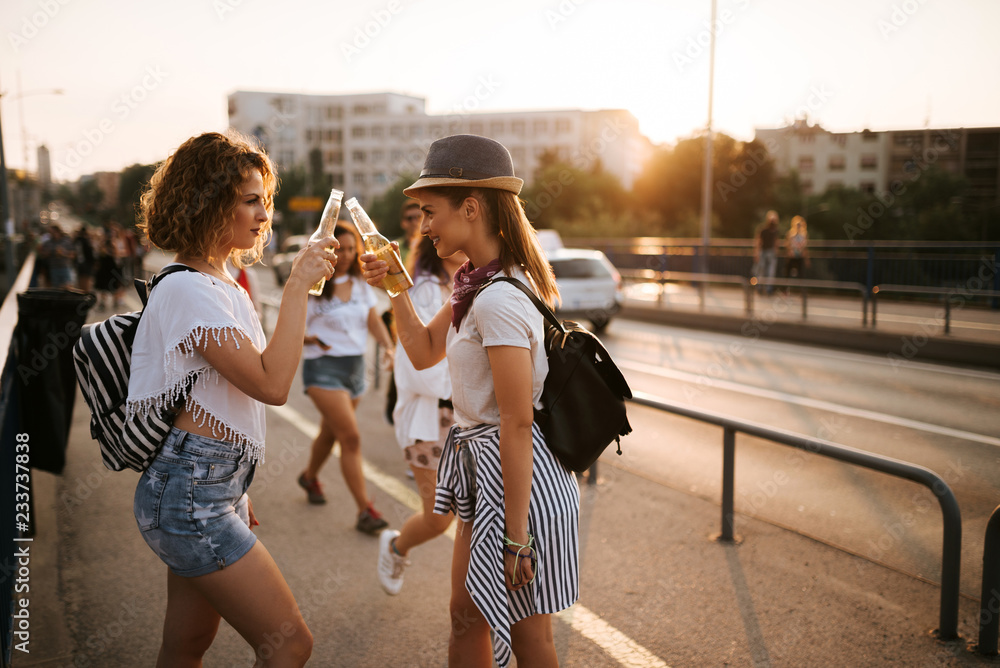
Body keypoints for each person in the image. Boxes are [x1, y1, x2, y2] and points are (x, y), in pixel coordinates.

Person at [362, 134, 579, 668]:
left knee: (530, 642)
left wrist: (517, 535)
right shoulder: (472, 286)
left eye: (429, 212)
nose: (423, 225)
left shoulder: (500, 298)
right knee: (465, 617)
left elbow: (517, 421)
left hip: (519, 485)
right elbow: (422, 349)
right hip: (483, 473)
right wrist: (394, 286)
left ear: (473, 207)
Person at [127, 131, 337, 666]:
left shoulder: (220, 281)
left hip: (207, 484)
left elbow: (225, 398)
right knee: (290, 645)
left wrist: (235, 484)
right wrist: (297, 288)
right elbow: (272, 384)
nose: (263, 216)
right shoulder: (188, 290)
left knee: (187, 645)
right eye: (250, 201)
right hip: (191, 494)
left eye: (264, 202)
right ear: (209, 202)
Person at [376, 235, 466, 595]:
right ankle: (397, 546)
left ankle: (476, 603)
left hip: (467, 420)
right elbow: (422, 370)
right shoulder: (423, 289)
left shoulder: (477, 282)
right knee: (437, 517)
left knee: (473, 516)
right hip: (429, 421)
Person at [297, 221, 396, 535]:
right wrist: (310, 340)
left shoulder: (362, 284)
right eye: (343, 250)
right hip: (322, 368)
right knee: (350, 437)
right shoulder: (312, 285)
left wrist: (389, 346)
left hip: (354, 370)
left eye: (354, 249)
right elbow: (293, 326)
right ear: (329, 250)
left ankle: (309, 476)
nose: (350, 255)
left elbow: (372, 319)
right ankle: (365, 510)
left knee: (331, 433)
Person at [39, 224, 77, 288]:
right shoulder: (48, 243)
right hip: (53, 268)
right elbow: (42, 254)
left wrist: (63, 253)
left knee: (67, 287)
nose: (52, 234)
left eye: (53, 232)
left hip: (65, 267)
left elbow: (73, 255)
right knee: (56, 288)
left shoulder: (66, 241)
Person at [754, 210, 780, 295]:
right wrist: (757, 253)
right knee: (761, 270)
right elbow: (758, 242)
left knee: (770, 271)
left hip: (771, 252)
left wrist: (776, 252)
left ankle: (769, 289)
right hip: (763, 251)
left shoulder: (776, 230)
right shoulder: (763, 230)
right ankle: (760, 287)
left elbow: (776, 242)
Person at [395, 199, 423, 266]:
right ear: (402, 223)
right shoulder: (394, 248)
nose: (414, 222)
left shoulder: (434, 248)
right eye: (409, 218)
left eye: (418, 217)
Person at [785, 215, 810, 280]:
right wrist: (790, 251)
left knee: (801, 272)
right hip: (792, 256)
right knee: (788, 271)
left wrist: (807, 258)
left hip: (800, 256)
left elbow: (805, 247)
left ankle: (802, 288)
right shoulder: (790, 234)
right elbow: (788, 244)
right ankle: (785, 287)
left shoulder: (804, 235)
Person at [74, 225, 96, 293]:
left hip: (80, 263)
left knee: (80, 282)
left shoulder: (77, 240)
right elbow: (91, 255)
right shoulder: (86, 241)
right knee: (86, 283)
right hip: (86, 264)